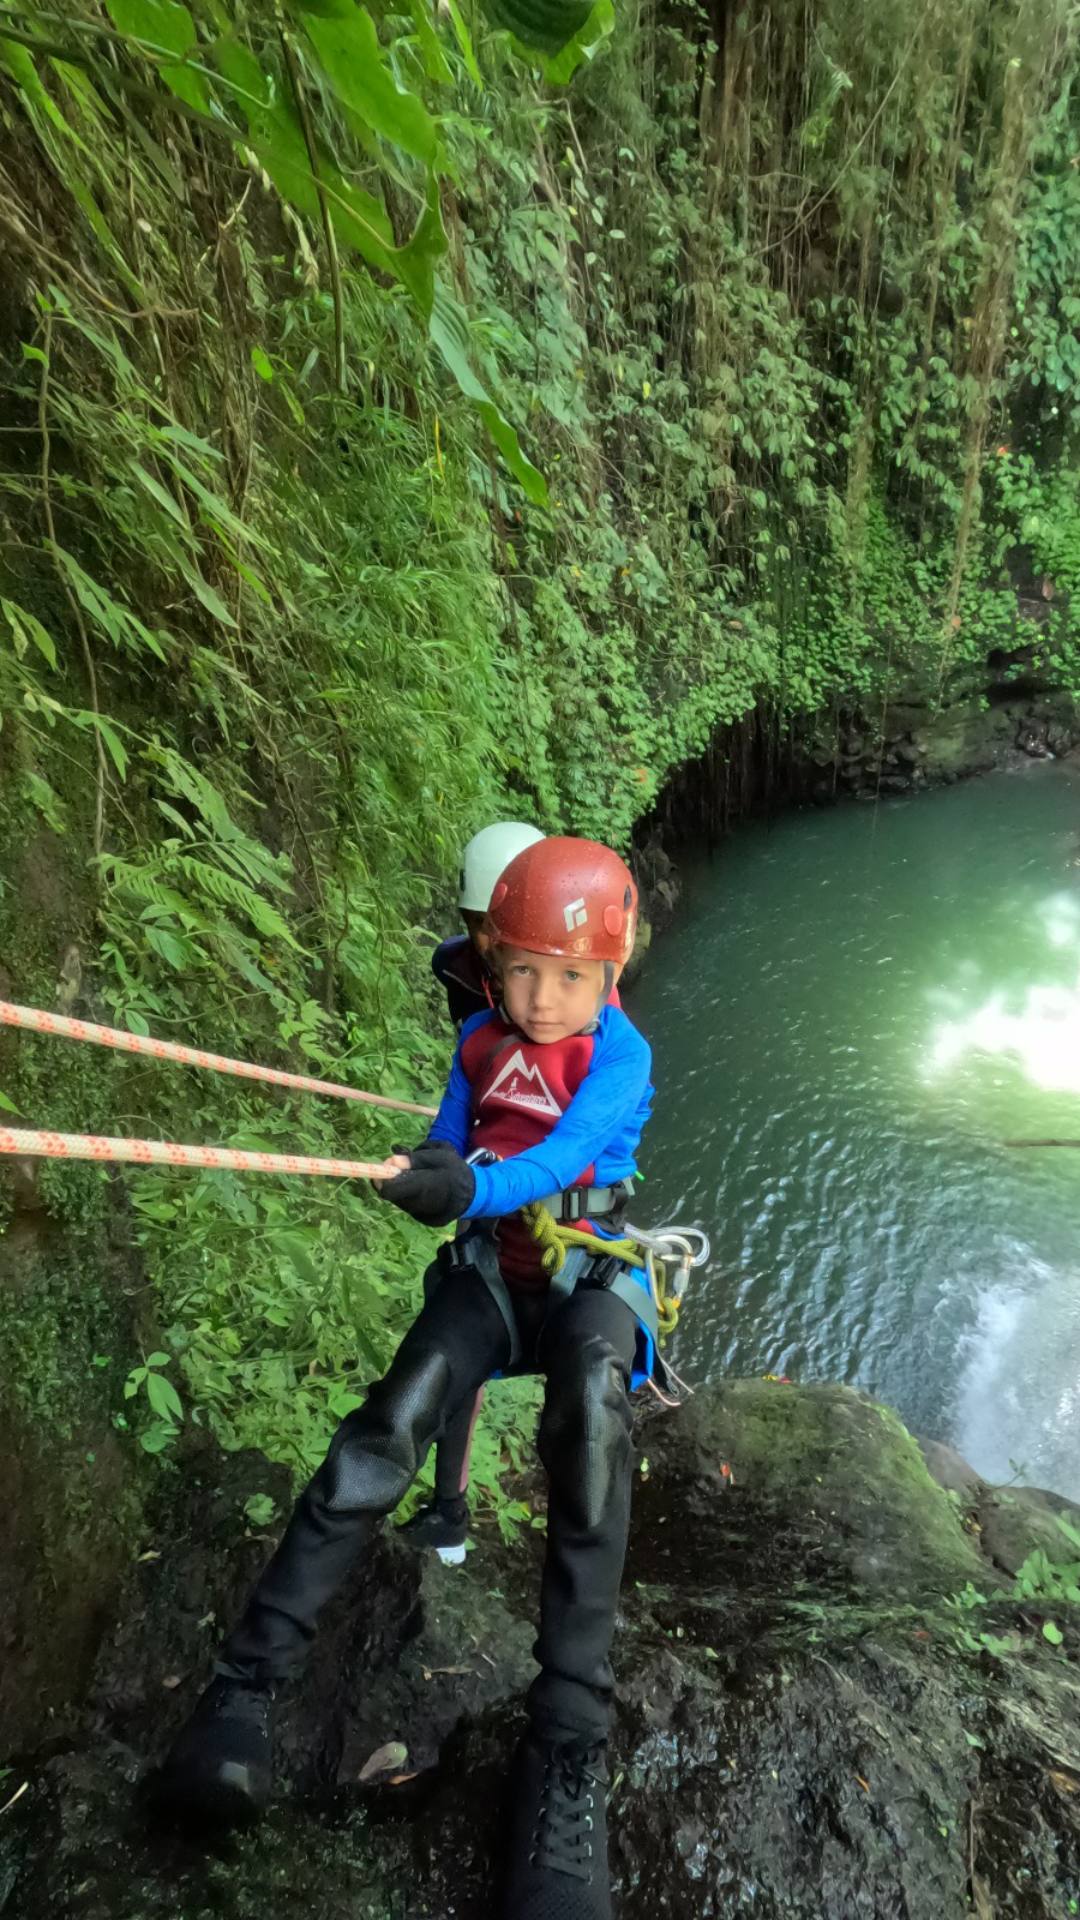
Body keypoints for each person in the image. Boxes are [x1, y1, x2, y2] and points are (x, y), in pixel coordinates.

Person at [155, 837, 655, 1920]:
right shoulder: (479, 1040)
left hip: (584, 1276)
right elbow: (452, 1139)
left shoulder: (621, 1058)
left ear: (608, 974)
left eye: (571, 974)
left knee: (590, 1427)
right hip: (489, 1278)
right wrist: (428, 1169)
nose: (543, 995)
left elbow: (559, 1161)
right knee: (386, 1429)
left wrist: (463, 1187)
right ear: (491, 957)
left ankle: (567, 1753)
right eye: (520, 967)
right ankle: (240, 1699)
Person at [399, 820, 545, 1565]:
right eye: (478, 924)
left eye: (502, 921)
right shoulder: (457, 969)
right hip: (483, 1165)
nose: (490, 939)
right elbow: (476, 1060)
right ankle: (448, 1509)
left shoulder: (573, 991)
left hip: (552, 1180)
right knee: (462, 1330)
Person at [431, 819, 544, 1028]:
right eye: (480, 922)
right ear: (465, 919)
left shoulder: (584, 989)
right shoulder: (455, 968)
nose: (496, 940)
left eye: (509, 922)